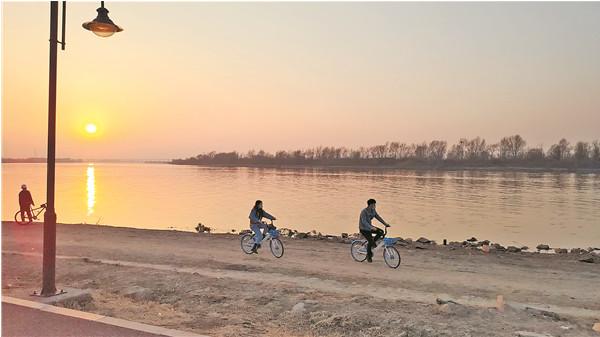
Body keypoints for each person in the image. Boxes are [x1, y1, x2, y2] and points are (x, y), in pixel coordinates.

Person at [359, 198, 390, 263]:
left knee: (381, 232)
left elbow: (378, 217)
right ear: (370, 205)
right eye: (373, 205)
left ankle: (372, 243)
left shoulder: (373, 210)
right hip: (363, 229)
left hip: (370, 228)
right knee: (370, 241)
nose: (374, 206)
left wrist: (385, 224)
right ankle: (369, 256)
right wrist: (371, 227)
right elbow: (364, 222)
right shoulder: (363, 212)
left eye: (375, 205)